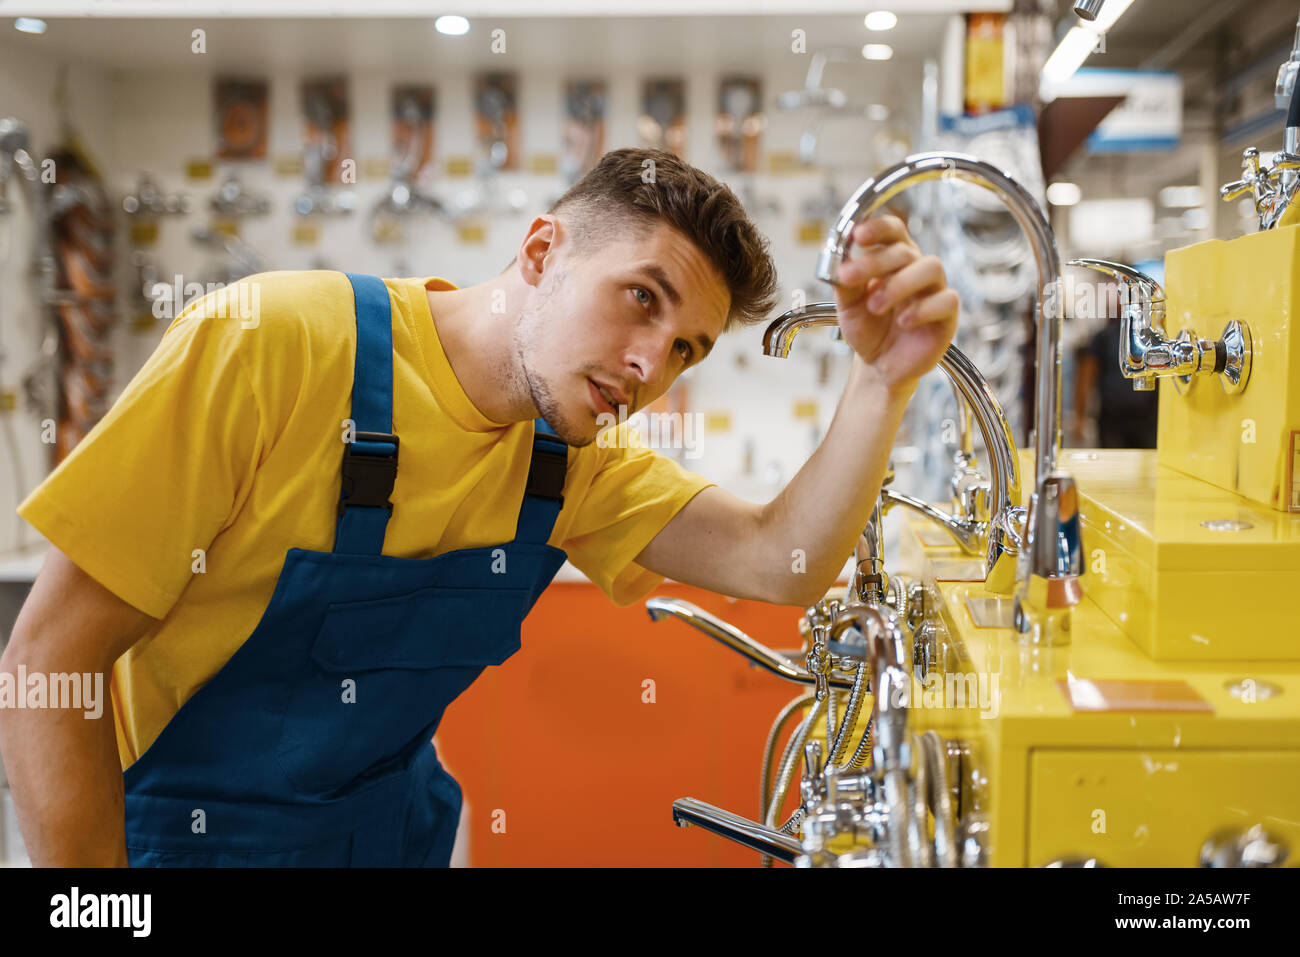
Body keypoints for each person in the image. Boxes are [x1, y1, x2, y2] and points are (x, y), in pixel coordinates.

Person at [0, 148, 958, 866]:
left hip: (391, 841)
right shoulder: (273, 345)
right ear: (542, 251)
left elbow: (778, 560)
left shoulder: (568, 462)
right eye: (641, 299)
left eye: (686, 350)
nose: (648, 365)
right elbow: (48, 659)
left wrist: (881, 384)